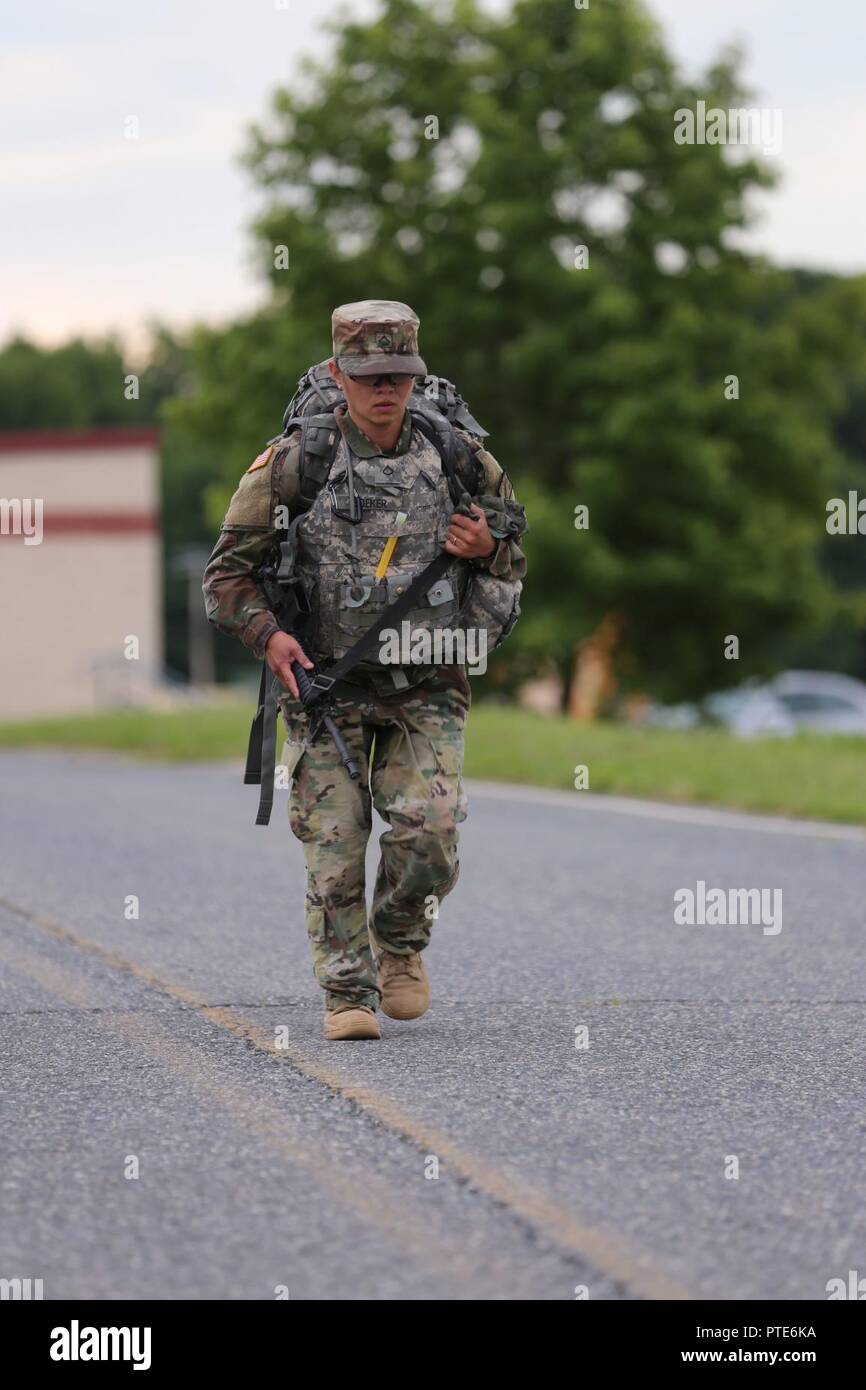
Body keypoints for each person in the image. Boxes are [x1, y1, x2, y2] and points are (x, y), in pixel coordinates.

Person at [202, 300, 527, 1040]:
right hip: (324, 686)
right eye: (369, 374)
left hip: (428, 681)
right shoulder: (295, 463)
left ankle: (401, 944)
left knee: (431, 830)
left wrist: (486, 550)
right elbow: (226, 578)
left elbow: (513, 551)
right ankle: (347, 992)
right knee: (335, 846)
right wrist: (269, 638)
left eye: (399, 374)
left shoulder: (461, 457)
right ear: (339, 374)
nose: (385, 388)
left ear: (415, 374)